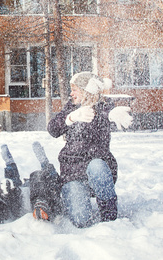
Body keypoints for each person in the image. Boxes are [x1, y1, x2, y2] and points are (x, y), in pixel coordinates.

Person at [47, 72, 128, 227]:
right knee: (81, 220)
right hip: (72, 174)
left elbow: (105, 113)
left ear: (86, 91)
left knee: (97, 165)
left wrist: (112, 114)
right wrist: (71, 118)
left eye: (75, 89)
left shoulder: (102, 108)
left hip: (97, 173)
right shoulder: (70, 109)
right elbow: (52, 129)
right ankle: (75, 199)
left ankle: (108, 212)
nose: (71, 93)